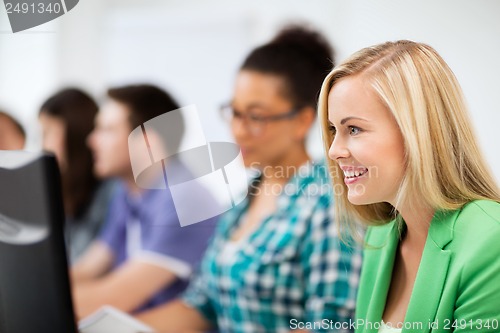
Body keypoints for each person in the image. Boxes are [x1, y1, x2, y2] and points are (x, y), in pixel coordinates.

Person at [137, 26, 362, 333]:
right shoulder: (246, 197)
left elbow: (331, 325)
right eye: (234, 112)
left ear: (302, 120)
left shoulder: (328, 201)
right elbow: (202, 304)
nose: (238, 130)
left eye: (255, 117)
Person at [319, 40, 500, 333]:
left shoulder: (491, 240)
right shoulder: (381, 237)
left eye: (353, 129)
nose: (334, 150)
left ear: (417, 131)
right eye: (333, 130)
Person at [71, 84, 217, 318]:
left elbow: (108, 299)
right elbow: (90, 268)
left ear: (147, 142)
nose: (92, 140)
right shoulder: (128, 192)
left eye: (106, 130)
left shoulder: (183, 200)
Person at [39, 88, 115, 263]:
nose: (43, 144)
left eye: (47, 132)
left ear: (73, 133)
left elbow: (86, 264)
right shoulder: (67, 189)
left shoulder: (112, 190)